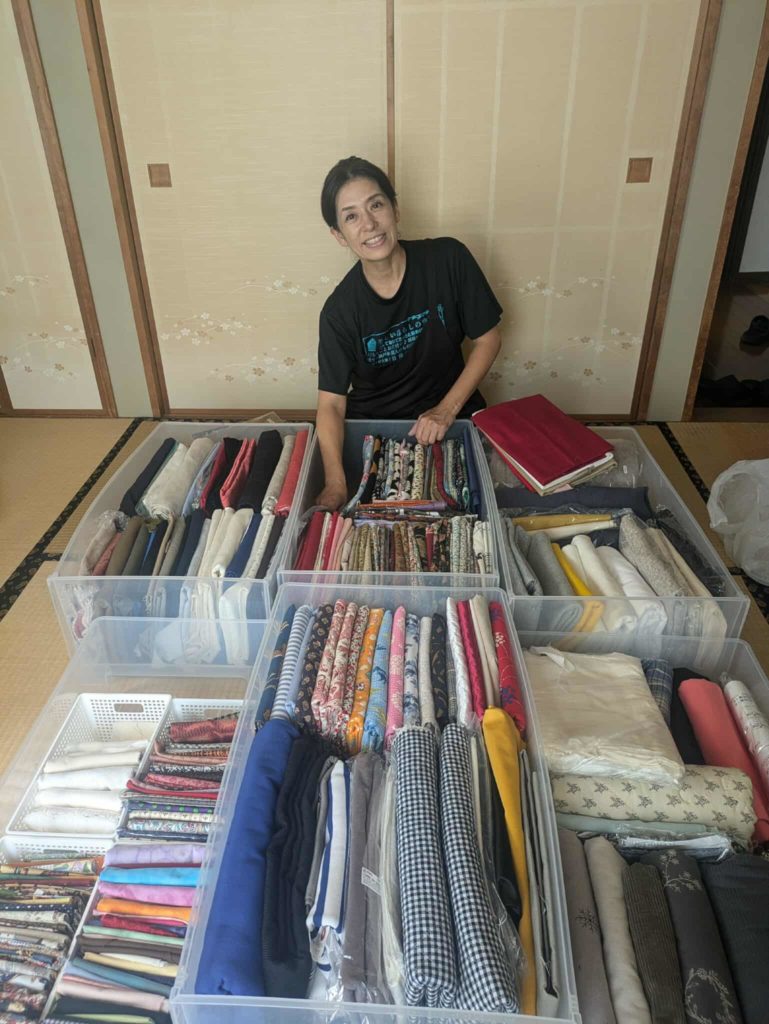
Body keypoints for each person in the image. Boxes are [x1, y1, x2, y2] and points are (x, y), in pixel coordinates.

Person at [315, 155, 503, 510]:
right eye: (351, 216)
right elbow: (331, 404)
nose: (369, 224)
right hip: (377, 432)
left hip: (452, 418)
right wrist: (336, 484)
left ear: (395, 209)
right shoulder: (339, 311)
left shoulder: (449, 259)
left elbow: (488, 338)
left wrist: (445, 410)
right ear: (339, 235)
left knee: (479, 507)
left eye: (376, 205)